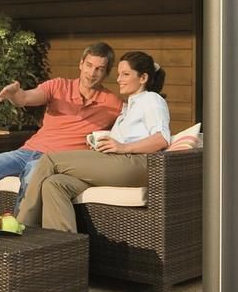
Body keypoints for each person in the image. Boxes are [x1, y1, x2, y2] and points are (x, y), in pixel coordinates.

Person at [0, 42, 120, 217]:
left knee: (31, 180)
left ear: (106, 72)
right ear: (81, 64)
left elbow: (138, 120)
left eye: (99, 69)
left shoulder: (113, 104)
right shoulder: (58, 86)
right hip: (27, 152)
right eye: (89, 65)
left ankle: (20, 236)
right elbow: (26, 98)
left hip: (56, 162)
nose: (92, 73)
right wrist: (14, 95)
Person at [18, 51, 171, 234]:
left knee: (49, 160)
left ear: (143, 78)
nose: (119, 79)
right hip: (118, 163)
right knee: (55, 184)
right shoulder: (131, 105)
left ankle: (21, 228)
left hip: (135, 164)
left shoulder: (151, 99)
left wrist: (123, 147)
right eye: (119, 74)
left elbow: (162, 138)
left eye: (126, 74)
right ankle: (62, 248)